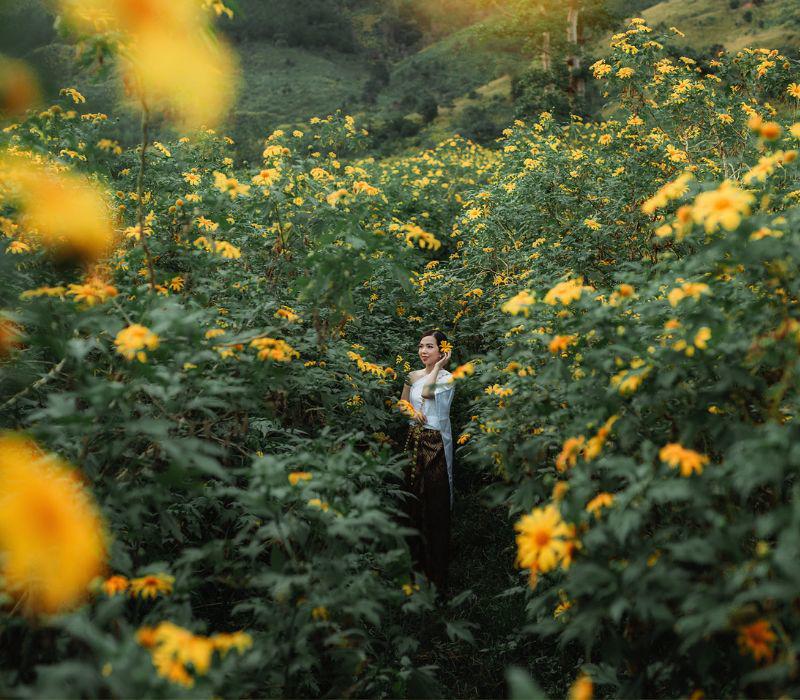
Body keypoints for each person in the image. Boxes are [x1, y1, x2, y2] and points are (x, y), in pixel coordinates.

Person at [399, 330, 455, 594]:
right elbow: (401, 404)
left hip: (435, 444)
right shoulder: (412, 376)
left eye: (429, 347)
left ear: (441, 351)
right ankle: (414, 569)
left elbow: (430, 394)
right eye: (421, 346)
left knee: (435, 504)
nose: (423, 351)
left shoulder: (446, 378)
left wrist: (440, 366)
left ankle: (437, 575)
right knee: (412, 502)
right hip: (413, 439)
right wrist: (411, 411)